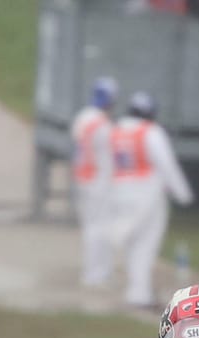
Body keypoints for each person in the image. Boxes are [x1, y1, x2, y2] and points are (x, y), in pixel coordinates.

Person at [109, 91, 193, 309]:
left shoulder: (117, 131)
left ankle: (136, 290)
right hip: (147, 193)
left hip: (120, 190)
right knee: (145, 244)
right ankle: (139, 294)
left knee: (131, 244)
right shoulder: (151, 132)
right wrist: (183, 194)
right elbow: (167, 165)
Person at [70, 77, 118, 288]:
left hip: (82, 177)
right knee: (99, 228)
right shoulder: (103, 124)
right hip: (99, 180)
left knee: (90, 226)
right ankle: (97, 273)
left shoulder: (82, 117)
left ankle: (95, 272)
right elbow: (109, 155)